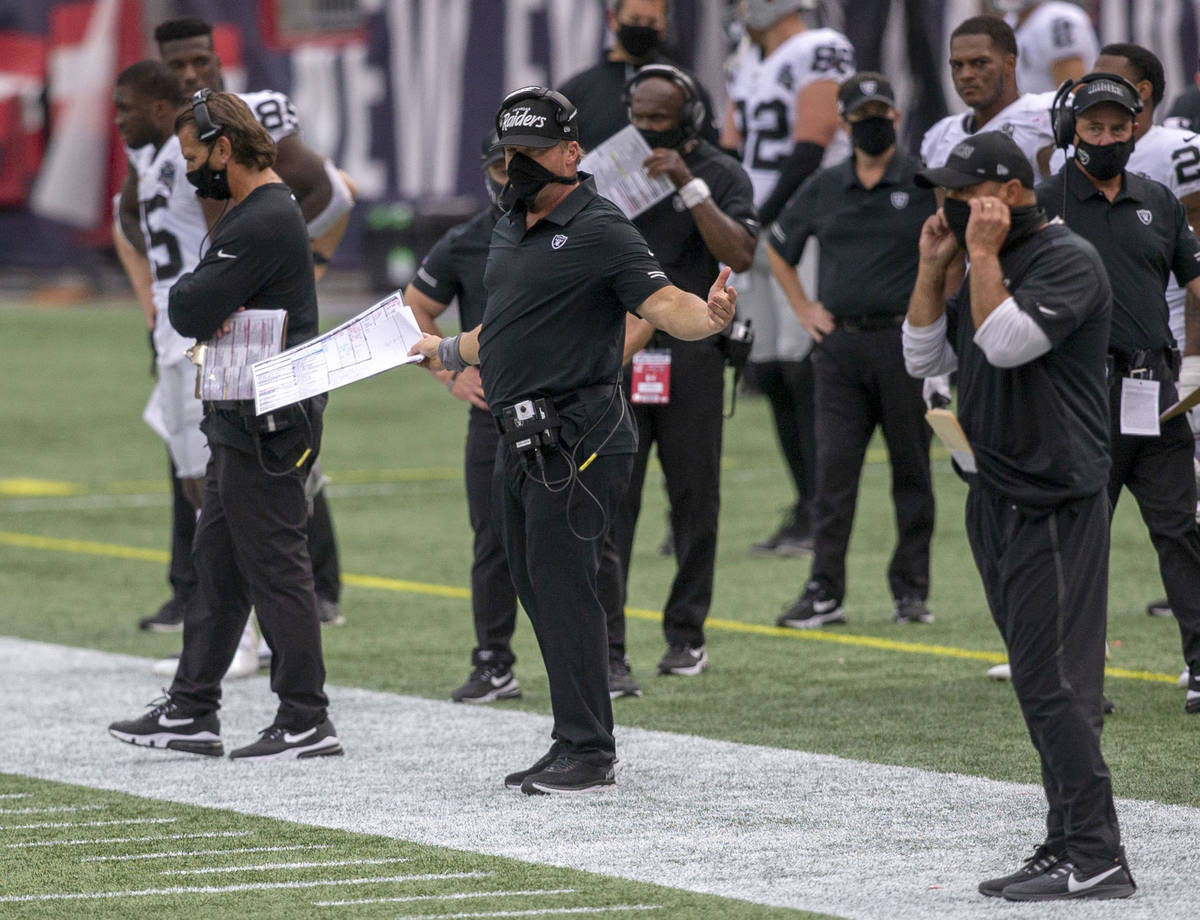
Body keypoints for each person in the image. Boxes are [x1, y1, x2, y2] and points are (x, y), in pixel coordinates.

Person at [411, 86, 736, 794]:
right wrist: (448, 353)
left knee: (567, 590)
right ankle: (570, 737)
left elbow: (664, 304)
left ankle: (590, 749)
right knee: (534, 584)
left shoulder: (602, 228)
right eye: (508, 155)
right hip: (520, 432)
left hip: (581, 435)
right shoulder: (508, 227)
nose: (516, 167)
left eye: (530, 155)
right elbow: (506, 325)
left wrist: (708, 317)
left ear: (570, 154)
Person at [904, 130, 1135, 901]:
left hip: (1053, 496)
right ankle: (1068, 838)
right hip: (994, 493)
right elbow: (923, 359)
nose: (943, 204)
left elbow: (1003, 345)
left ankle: (1097, 852)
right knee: (1039, 682)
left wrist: (981, 257)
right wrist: (934, 269)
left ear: (1001, 195)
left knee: (1055, 683)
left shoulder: (1066, 259)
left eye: (957, 191)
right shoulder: (975, 260)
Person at [109, 91, 341, 760]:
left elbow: (187, 305)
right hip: (245, 413)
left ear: (224, 146)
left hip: (269, 418)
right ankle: (192, 709)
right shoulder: (255, 213)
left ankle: (305, 717)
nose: (189, 171)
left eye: (192, 156)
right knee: (217, 567)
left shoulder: (262, 218)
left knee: (276, 567)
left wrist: (200, 287)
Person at [119, 16, 352, 634]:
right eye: (178, 64)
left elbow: (336, 192)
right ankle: (218, 628)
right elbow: (131, 216)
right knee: (208, 477)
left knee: (263, 473)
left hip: (228, 329)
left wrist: (304, 271)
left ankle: (295, 611)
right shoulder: (157, 131)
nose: (191, 72)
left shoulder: (247, 120)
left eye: (200, 59)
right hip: (187, 324)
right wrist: (149, 297)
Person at [1037, 73, 1200, 715]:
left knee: (1181, 529)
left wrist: (1193, 365)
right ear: (1070, 129)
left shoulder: (1158, 199)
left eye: (1117, 126)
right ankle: (1076, 676)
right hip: (1077, 394)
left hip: (1152, 388)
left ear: (1136, 127)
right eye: (1093, 126)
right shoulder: (1044, 200)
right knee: (1079, 539)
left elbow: (1195, 281)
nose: (1105, 137)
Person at [598, 64, 756, 683]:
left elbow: (740, 254)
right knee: (614, 502)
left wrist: (690, 186)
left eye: (658, 119)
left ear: (688, 118)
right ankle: (610, 646)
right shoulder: (614, 168)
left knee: (694, 502)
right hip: (624, 350)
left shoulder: (719, 172)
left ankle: (686, 635)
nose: (645, 129)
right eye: (638, 117)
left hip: (691, 354)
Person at [768, 72, 937, 630]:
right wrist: (803, 308)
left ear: (895, 115)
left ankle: (911, 591)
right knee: (833, 474)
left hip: (903, 343)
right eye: (862, 114)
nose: (873, 121)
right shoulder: (825, 184)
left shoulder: (921, 179)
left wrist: (932, 315)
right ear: (843, 122)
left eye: (882, 112)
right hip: (839, 346)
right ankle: (824, 591)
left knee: (912, 471)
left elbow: (951, 246)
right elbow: (779, 247)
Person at [111, 60, 259, 680]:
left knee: (217, 488)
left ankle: (240, 638)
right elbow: (130, 230)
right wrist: (151, 302)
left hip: (198, 338)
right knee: (201, 487)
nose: (117, 119)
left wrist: (223, 309)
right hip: (173, 332)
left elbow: (222, 228)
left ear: (156, 106)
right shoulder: (153, 163)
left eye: (126, 107)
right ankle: (239, 632)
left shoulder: (184, 158)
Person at [722, 0, 855, 557]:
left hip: (801, 222)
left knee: (803, 370)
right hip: (757, 223)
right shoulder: (744, 59)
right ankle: (805, 504)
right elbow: (731, 144)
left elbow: (813, 142)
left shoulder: (820, 47)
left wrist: (757, 216)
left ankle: (823, 511)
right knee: (769, 370)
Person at [406, 134, 522, 705]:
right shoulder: (468, 240)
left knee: (585, 539)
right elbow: (412, 308)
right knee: (493, 539)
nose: (512, 176)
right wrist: (449, 375)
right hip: (494, 413)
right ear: (487, 173)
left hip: (570, 409)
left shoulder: (586, 228)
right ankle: (493, 660)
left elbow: (633, 306)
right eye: (503, 166)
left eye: (522, 163)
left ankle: (609, 659)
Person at [558, 0, 717, 151]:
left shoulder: (685, 87)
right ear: (612, 18)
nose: (642, 28)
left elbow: (712, 157)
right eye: (634, 20)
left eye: (652, 23)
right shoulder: (577, 92)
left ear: (664, 26)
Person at [921, 16, 1056, 184]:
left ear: (1009, 63)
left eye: (979, 63)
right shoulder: (939, 136)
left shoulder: (1045, 117)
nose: (966, 75)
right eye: (957, 65)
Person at [989, 0, 1098, 94]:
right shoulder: (1010, 21)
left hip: (1053, 115)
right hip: (1027, 114)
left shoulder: (1058, 20)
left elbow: (1072, 92)